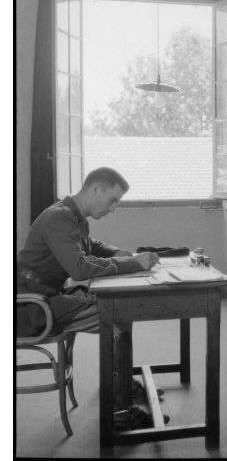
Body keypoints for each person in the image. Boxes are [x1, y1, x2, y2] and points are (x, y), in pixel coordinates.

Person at [17, 166, 163, 429]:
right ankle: (120, 410)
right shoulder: (59, 218)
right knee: (117, 312)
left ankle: (121, 386)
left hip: (47, 297)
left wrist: (119, 253)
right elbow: (80, 268)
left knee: (120, 308)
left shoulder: (72, 215)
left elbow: (91, 246)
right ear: (96, 189)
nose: (113, 208)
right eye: (113, 200)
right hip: (30, 307)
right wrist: (135, 264)